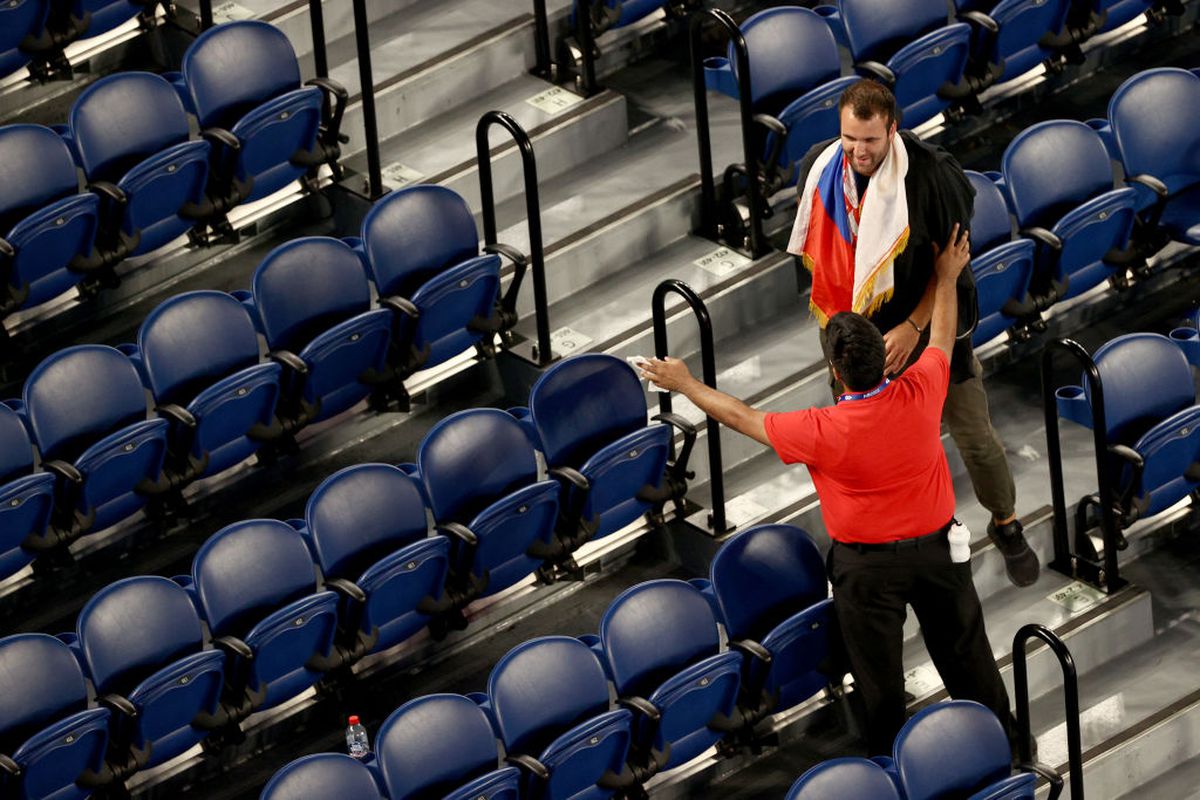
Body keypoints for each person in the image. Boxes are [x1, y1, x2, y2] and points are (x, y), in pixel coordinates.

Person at [639, 223, 1013, 756]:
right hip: (938, 557)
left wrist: (684, 383)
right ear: (884, 355)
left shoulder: (818, 430)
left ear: (836, 370)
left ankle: (893, 774)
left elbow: (742, 417)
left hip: (867, 572)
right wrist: (946, 277)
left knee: (880, 683)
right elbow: (943, 335)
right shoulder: (922, 388)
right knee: (970, 663)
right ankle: (1009, 753)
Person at [789, 79, 1038, 588]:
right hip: (856, 342)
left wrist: (912, 326)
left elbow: (950, 266)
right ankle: (879, 543)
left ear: (893, 130)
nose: (859, 151)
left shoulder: (934, 176)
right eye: (850, 139)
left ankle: (1007, 522)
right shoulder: (819, 169)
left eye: (871, 141)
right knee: (864, 453)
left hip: (929, 333)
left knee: (976, 439)